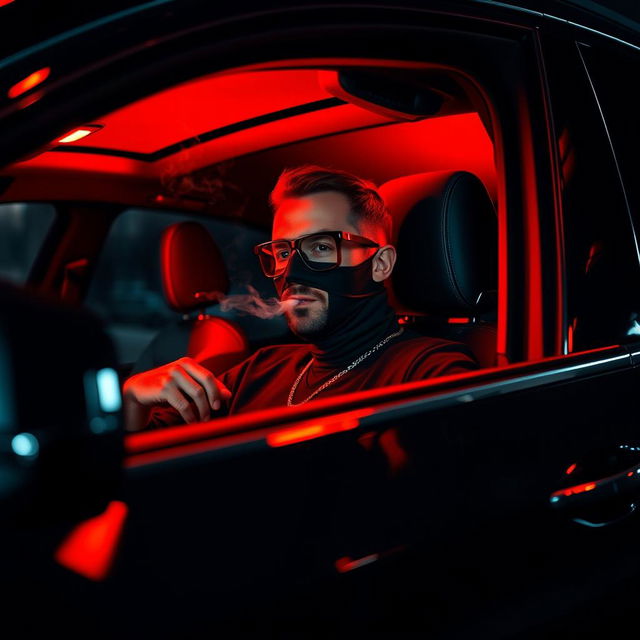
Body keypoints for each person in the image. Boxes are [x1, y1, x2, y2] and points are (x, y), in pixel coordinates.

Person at [123, 166, 478, 431]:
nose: (291, 273)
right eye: (281, 252)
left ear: (380, 263)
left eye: (321, 247)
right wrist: (132, 401)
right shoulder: (259, 371)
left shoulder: (430, 371)